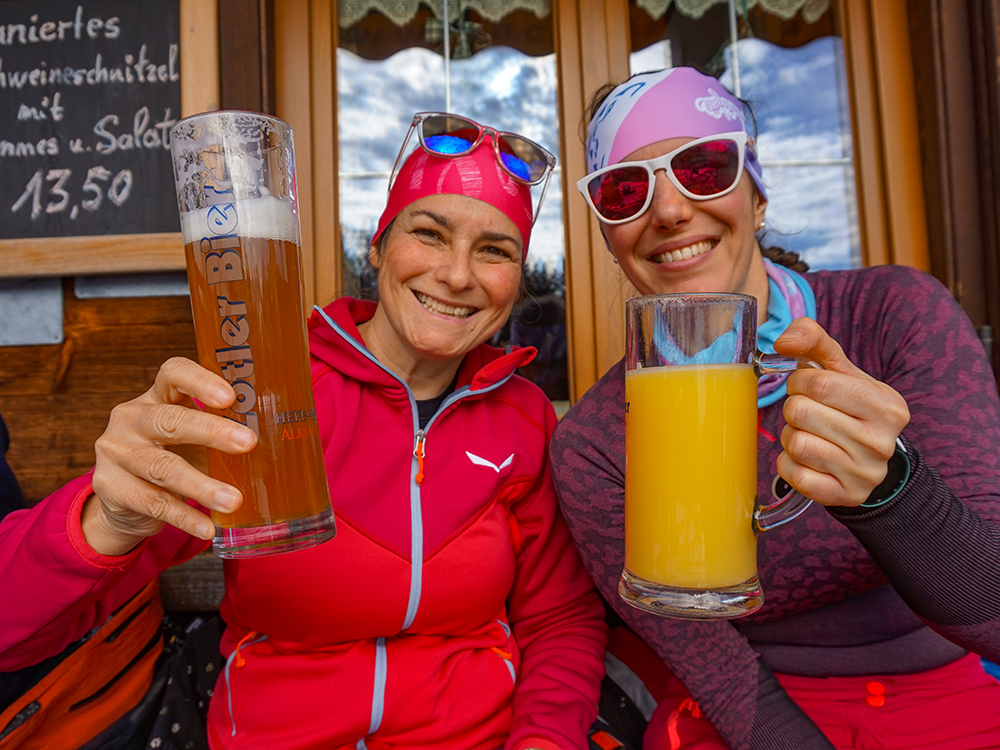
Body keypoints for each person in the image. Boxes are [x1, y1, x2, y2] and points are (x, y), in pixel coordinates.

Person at [0, 112, 607, 750]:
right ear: (377, 247)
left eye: (495, 250)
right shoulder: (268, 393)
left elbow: (560, 619)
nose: (458, 275)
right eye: (429, 233)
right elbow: (15, 631)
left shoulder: (524, 416)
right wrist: (105, 524)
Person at [550, 67, 1000, 750]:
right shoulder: (594, 440)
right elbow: (720, 672)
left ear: (757, 196)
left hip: (938, 689)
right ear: (610, 239)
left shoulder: (895, 316)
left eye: (704, 168)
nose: (668, 210)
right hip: (749, 712)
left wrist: (892, 492)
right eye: (625, 191)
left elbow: (991, 609)